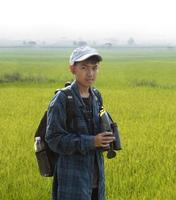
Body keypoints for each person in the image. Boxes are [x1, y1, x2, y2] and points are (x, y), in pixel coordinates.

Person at [45, 46, 115, 200]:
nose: (90, 73)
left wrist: (104, 141)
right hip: (72, 181)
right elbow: (53, 139)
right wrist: (92, 141)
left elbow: (96, 132)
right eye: (84, 67)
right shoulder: (62, 99)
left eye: (94, 68)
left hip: (96, 182)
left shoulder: (96, 96)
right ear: (72, 69)